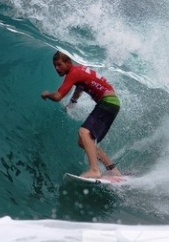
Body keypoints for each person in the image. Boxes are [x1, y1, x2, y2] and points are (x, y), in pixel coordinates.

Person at [41, 51, 122, 179]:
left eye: (59, 64)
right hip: (112, 103)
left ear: (68, 63)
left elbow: (57, 96)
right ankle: (113, 170)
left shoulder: (73, 73)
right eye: (54, 65)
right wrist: (73, 102)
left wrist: (47, 94)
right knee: (84, 141)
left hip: (108, 102)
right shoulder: (79, 71)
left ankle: (94, 170)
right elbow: (80, 87)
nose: (57, 68)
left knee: (84, 132)